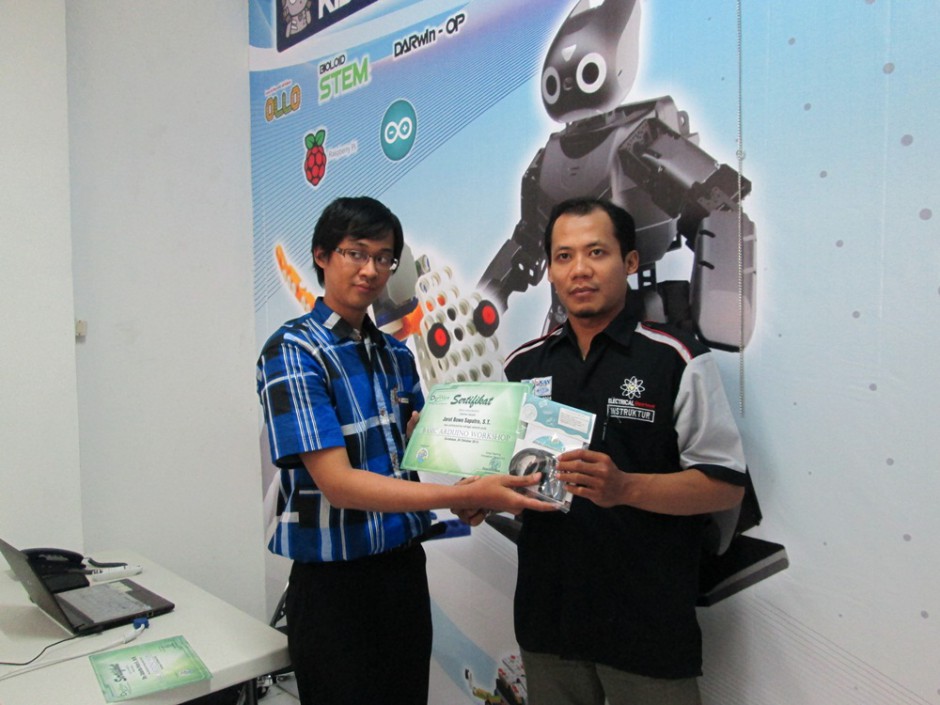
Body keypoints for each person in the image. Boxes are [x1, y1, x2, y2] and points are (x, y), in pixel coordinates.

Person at [256, 196, 554, 705]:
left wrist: (470, 492)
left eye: (384, 258)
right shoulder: (293, 351)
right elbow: (339, 485)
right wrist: (462, 496)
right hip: (333, 589)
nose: (371, 270)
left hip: (403, 576)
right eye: (356, 253)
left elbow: (423, 454)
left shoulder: (396, 356)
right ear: (322, 255)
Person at [458, 197, 747, 705]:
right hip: (549, 624)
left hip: (646, 628)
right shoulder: (523, 367)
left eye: (597, 252)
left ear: (630, 262)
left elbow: (724, 487)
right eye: (564, 256)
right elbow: (510, 481)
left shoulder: (677, 359)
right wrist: (478, 498)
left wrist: (626, 487)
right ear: (550, 270)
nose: (580, 270)